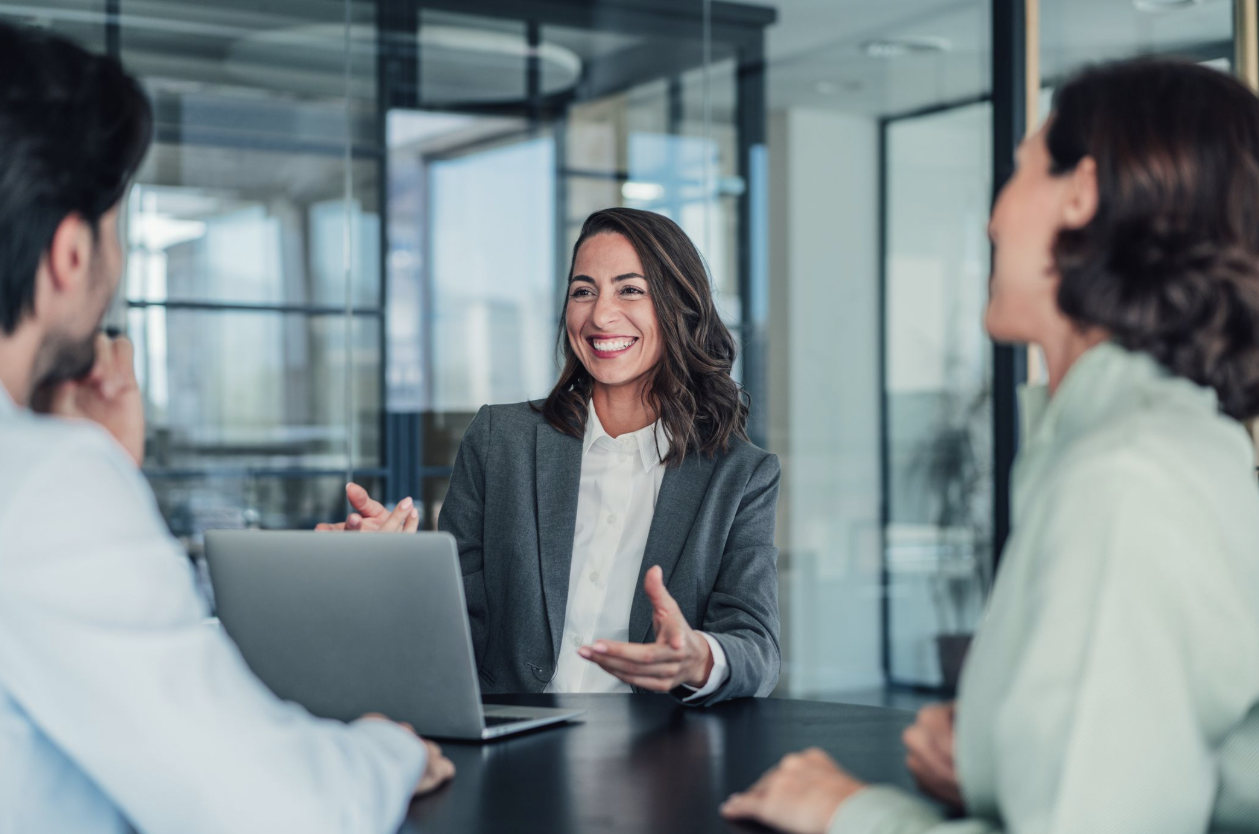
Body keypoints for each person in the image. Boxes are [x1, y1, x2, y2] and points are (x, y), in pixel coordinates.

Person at [721, 58, 1259, 834]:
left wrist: (847, 812)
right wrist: (1000, 769)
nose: (992, 217)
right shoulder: (1144, 446)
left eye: (1018, 172)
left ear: (1081, 195)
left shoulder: (1126, 478)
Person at [0, 22, 453, 834]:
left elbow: (94, 663)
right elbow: (280, 809)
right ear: (70, 254)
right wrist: (383, 751)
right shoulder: (40, 480)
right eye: (116, 230)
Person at [321, 207, 781, 705]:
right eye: (584, 291)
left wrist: (700, 658)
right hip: (510, 744)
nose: (600, 315)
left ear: (680, 307)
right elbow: (455, 628)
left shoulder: (740, 475)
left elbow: (756, 645)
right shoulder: (501, 441)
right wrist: (396, 572)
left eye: (630, 289)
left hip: (654, 754)